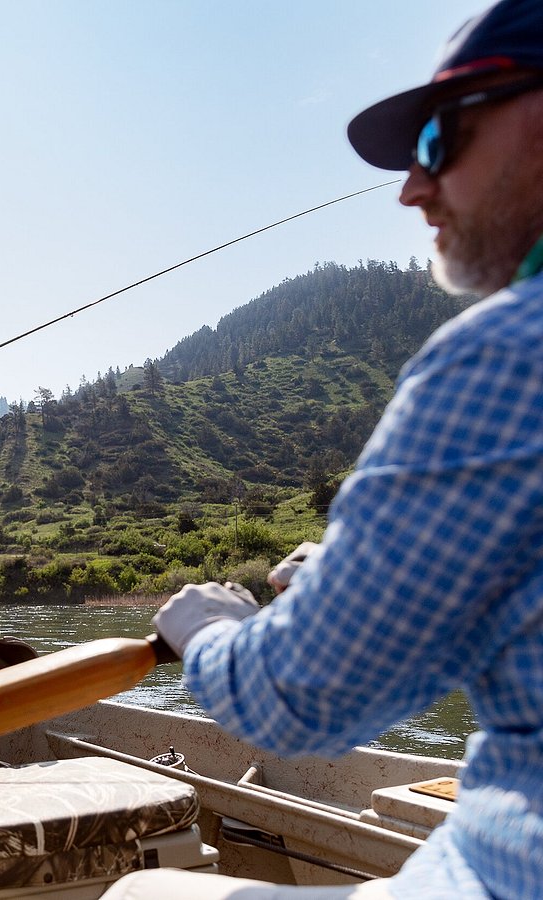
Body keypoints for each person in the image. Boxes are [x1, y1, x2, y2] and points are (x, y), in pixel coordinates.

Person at [109, 1, 543, 897]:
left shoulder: (503, 355)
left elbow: (301, 702)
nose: (412, 188)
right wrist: (342, 582)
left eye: (440, 140)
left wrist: (202, 626)